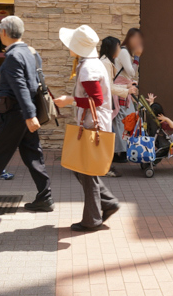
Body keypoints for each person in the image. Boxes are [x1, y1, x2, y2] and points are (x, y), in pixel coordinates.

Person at [0, 16, 52, 211]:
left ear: (3, 32)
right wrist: (30, 114)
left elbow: (20, 87)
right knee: (32, 153)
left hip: (15, 114)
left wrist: (29, 115)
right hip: (24, 113)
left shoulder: (13, 56)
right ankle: (45, 197)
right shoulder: (30, 52)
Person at [54, 25, 120, 232]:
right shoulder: (92, 64)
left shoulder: (87, 68)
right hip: (95, 122)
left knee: (84, 170)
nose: (68, 47)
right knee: (83, 169)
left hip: (92, 124)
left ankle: (93, 218)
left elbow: (96, 100)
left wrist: (70, 100)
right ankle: (106, 203)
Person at [99, 36, 137, 177]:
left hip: (104, 103)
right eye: (118, 47)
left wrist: (126, 87)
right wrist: (126, 90)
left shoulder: (106, 61)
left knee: (108, 131)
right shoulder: (105, 63)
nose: (120, 50)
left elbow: (109, 85)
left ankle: (105, 165)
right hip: (102, 104)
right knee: (107, 132)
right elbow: (108, 87)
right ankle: (104, 166)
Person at [112, 28, 143, 163]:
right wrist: (137, 57)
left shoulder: (124, 52)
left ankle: (121, 151)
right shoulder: (124, 52)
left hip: (123, 90)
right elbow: (131, 73)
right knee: (123, 122)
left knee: (125, 121)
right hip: (122, 91)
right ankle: (120, 152)